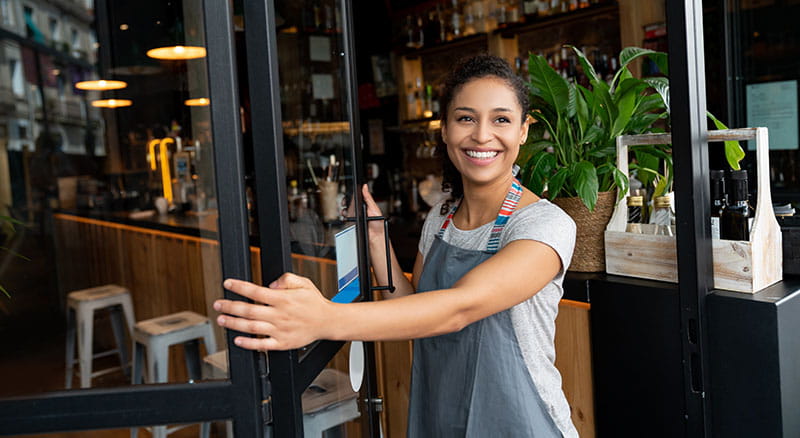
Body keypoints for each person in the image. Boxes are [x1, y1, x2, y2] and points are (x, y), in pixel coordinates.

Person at [214, 54, 578, 437]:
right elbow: (415, 313)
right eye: (466, 118)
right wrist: (376, 240)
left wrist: (323, 319)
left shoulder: (544, 225)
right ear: (444, 129)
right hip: (441, 417)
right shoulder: (441, 218)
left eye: (501, 119)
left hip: (521, 423)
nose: (482, 135)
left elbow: (458, 308)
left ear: (523, 130)